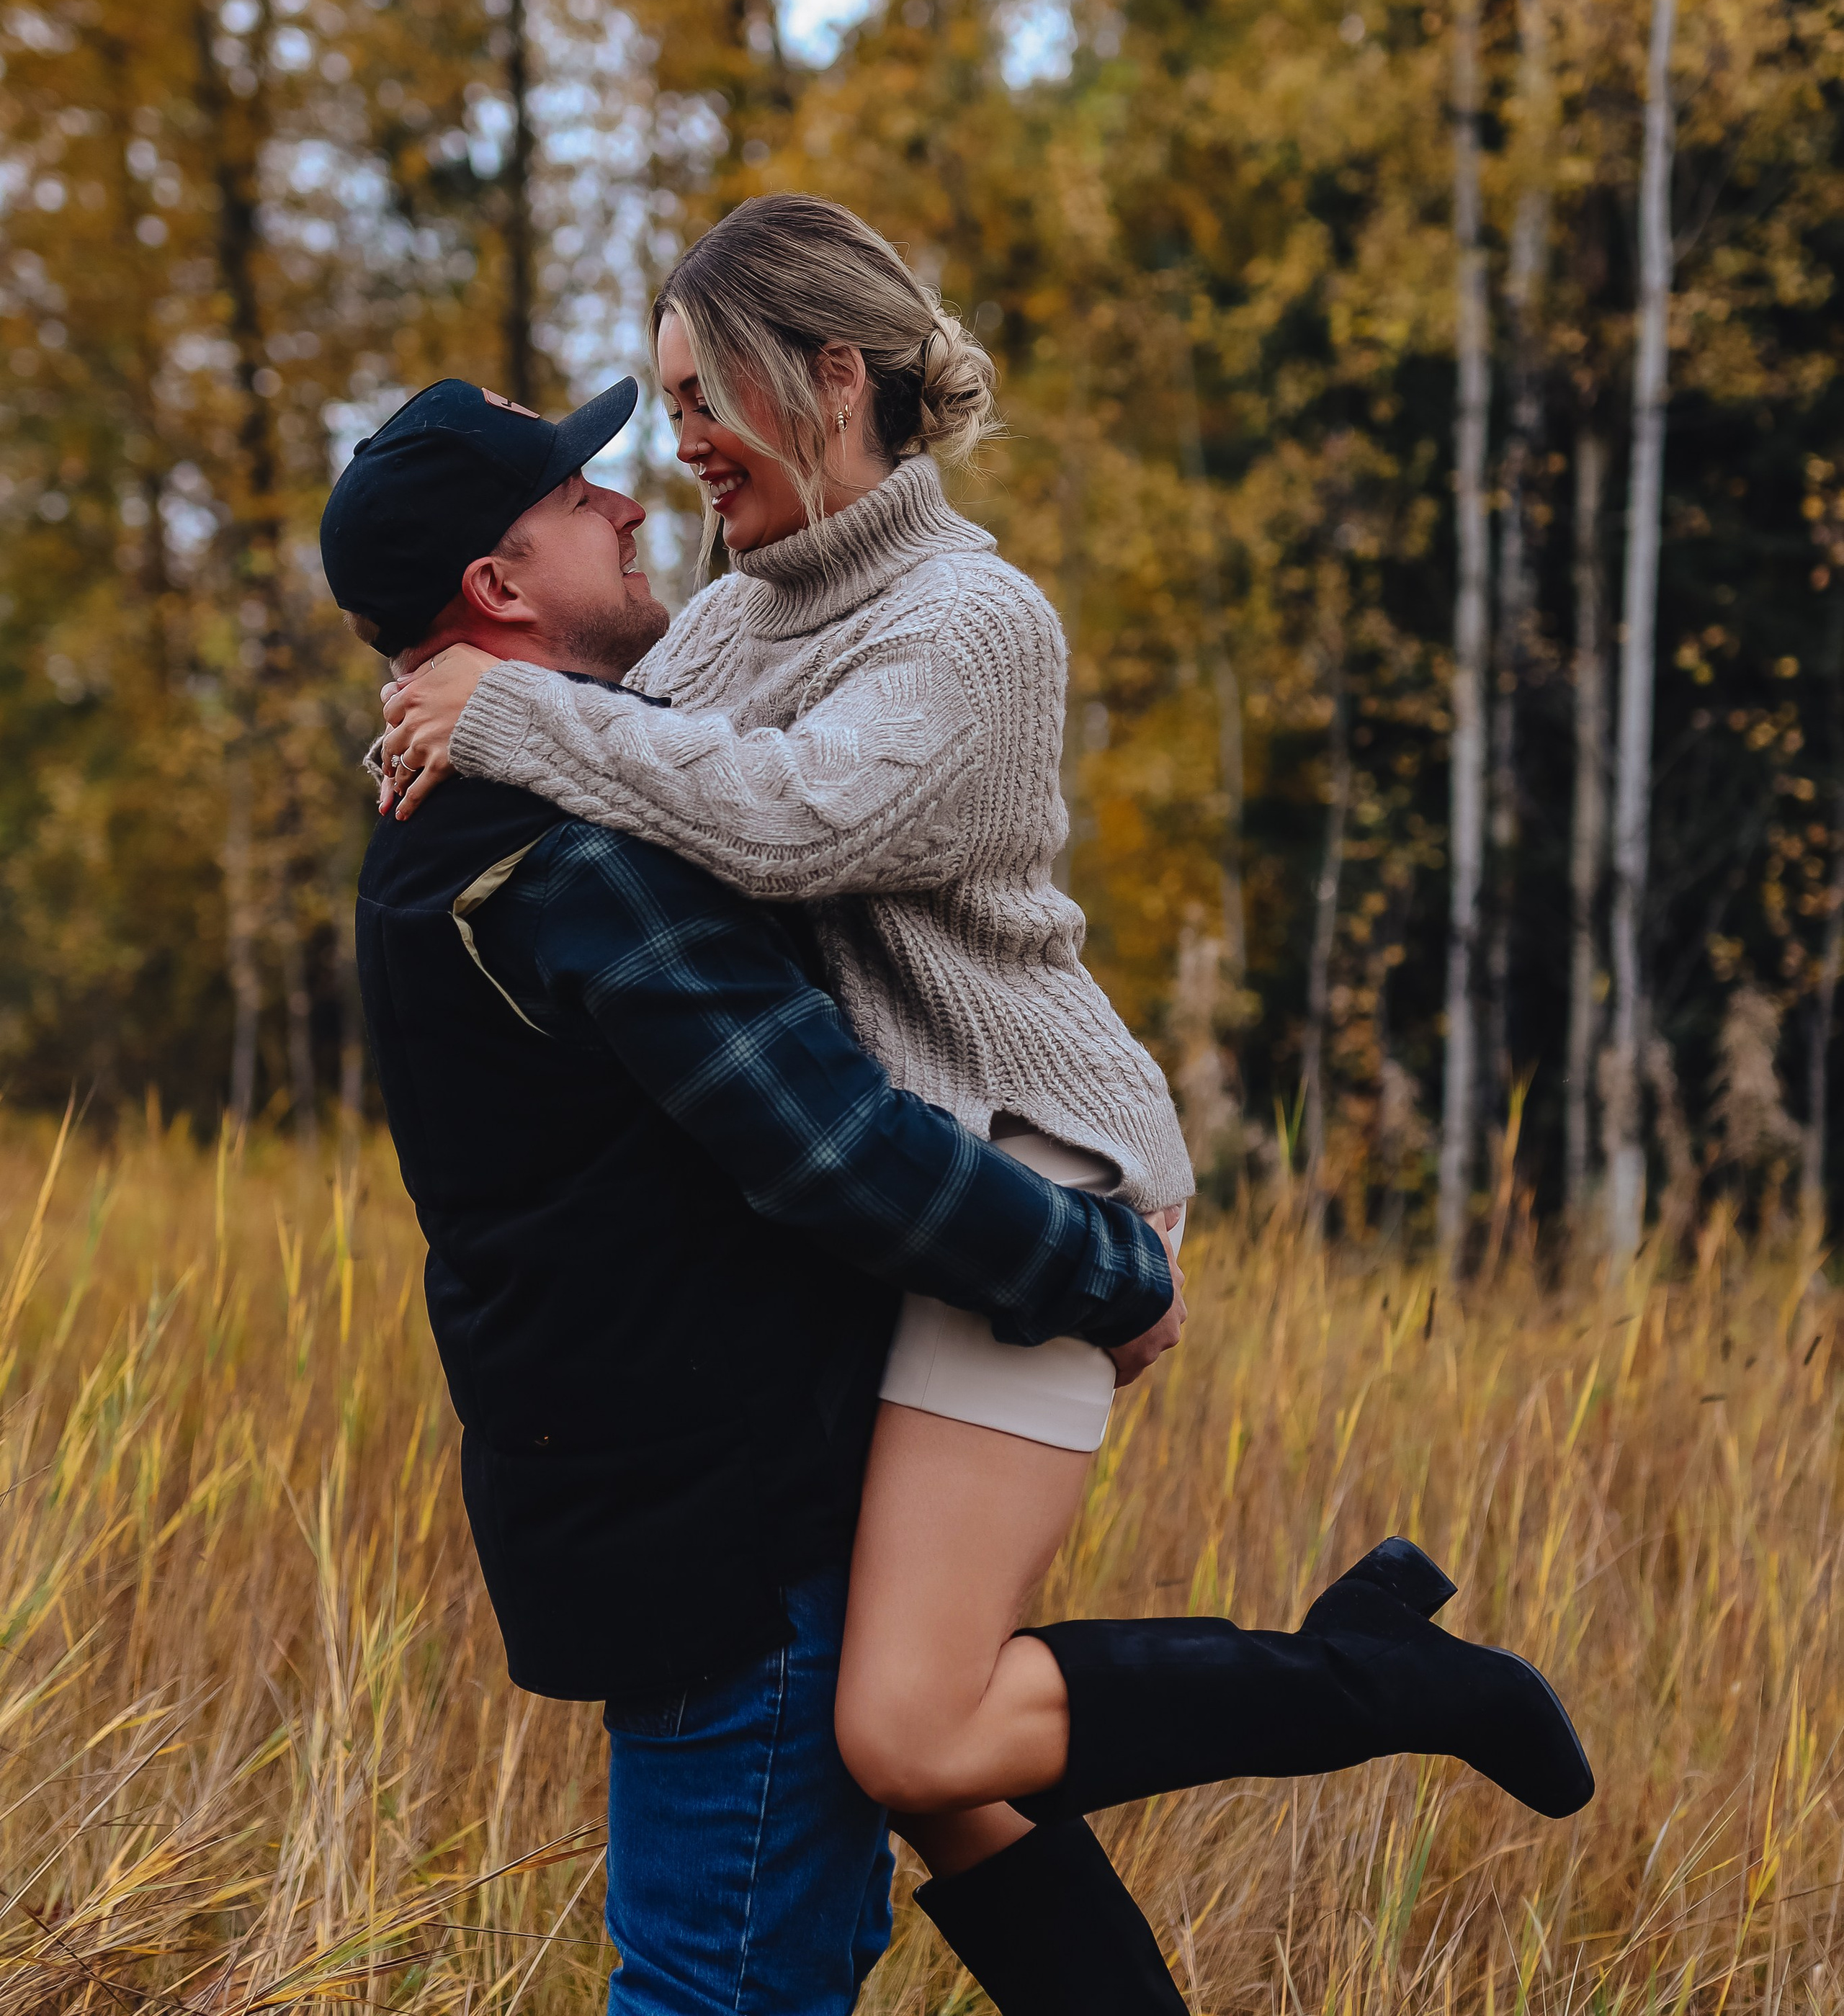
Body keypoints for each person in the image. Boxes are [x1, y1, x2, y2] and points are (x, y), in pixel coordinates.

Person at [378, 200, 1594, 1989]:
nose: (676, 444)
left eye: (702, 394)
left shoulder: (974, 618)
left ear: (833, 375)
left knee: (913, 1729)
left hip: (1033, 1172)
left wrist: (480, 705)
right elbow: (585, 739)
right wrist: (426, 699)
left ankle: (1382, 1680)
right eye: (662, 402)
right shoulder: (728, 619)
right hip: (896, 1189)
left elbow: (793, 817)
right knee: (940, 1775)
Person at [322, 372, 1194, 2016]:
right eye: (579, 496)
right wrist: (1103, 1270)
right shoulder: (575, 861)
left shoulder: (458, 818)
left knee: (907, 1809)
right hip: (730, 1511)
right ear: (498, 589)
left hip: (630, 1496)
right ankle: (1374, 1675)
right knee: (720, 1982)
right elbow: (834, 1148)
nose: (630, 499)